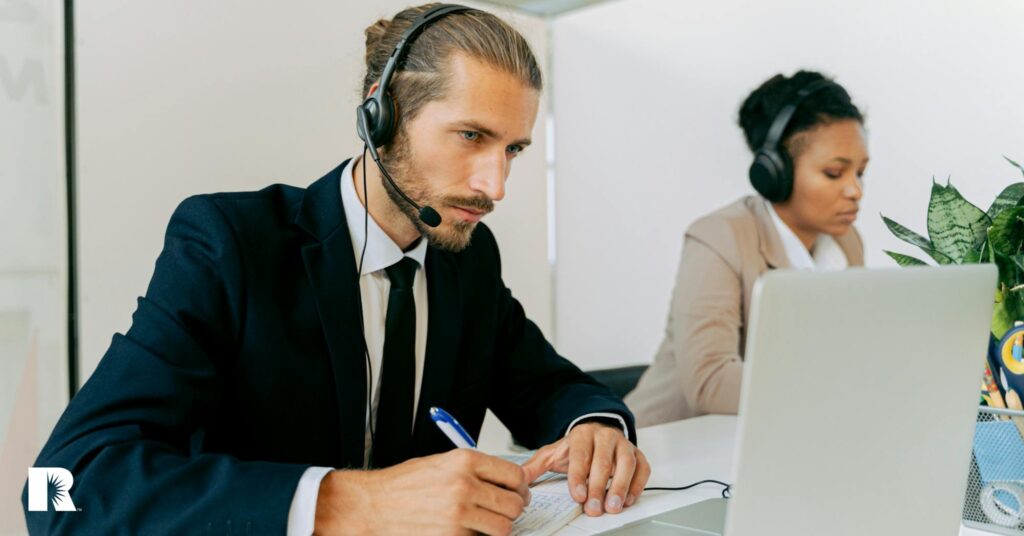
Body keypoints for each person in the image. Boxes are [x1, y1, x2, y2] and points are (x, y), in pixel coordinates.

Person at [24, 5, 649, 534]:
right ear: (380, 115)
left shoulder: (467, 256)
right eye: (470, 137)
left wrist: (594, 426)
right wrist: (351, 502)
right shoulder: (231, 245)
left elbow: (544, 384)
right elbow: (56, 488)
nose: (496, 186)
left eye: (512, 149)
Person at [625, 70, 868, 426]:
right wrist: (839, 386)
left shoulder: (847, 243)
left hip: (769, 438)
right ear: (775, 172)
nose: (855, 191)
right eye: (834, 173)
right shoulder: (719, 238)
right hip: (668, 451)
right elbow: (710, 382)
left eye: (860, 172)